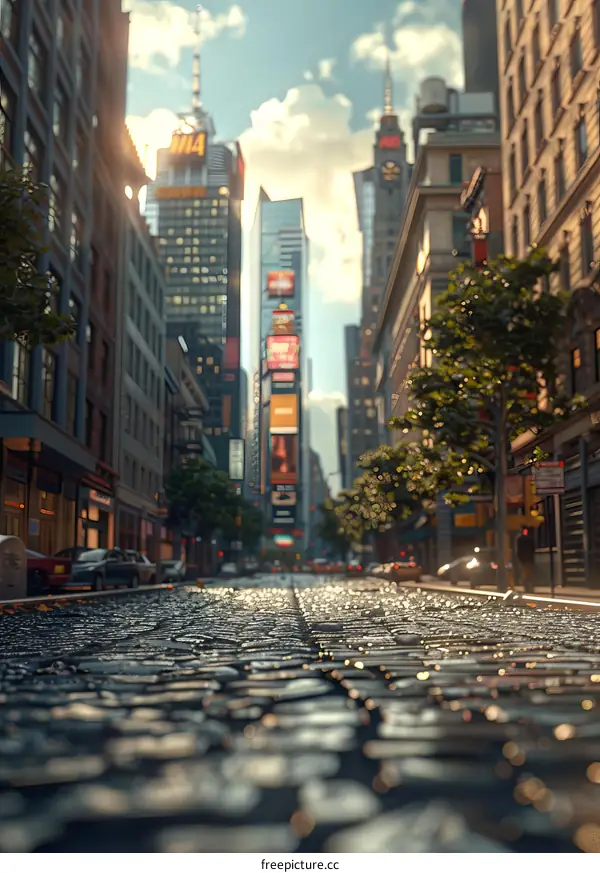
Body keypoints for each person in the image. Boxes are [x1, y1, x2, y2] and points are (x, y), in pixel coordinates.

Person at [516, 527, 536, 593]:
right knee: (527, 574)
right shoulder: (527, 539)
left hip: (526, 559)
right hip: (526, 559)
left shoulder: (520, 539)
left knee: (527, 574)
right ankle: (528, 588)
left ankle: (528, 588)